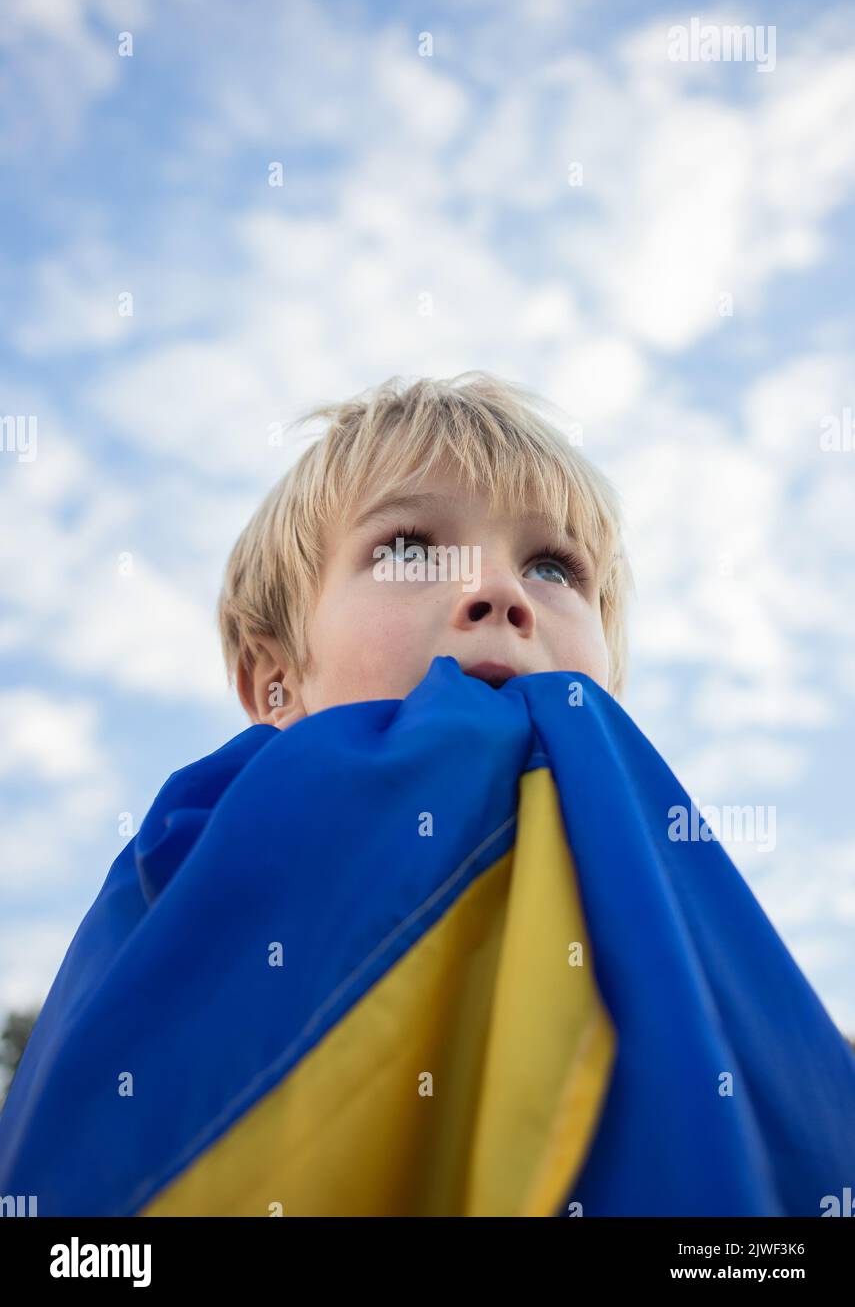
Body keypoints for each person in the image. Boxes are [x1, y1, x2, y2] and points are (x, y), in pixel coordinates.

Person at [1, 372, 853, 1217]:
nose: (500, 592)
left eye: (553, 566)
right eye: (409, 549)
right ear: (274, 680)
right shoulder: (184, 866)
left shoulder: (672, 893)